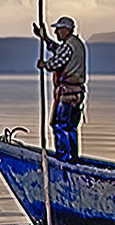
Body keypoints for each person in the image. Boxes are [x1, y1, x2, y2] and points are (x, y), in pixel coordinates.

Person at [33, 15, 87, 160]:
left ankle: (64, 158)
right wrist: (45, 39)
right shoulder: (75, 44)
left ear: (67, 30)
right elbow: (59, 50)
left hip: (68, 95)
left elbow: (55, 63)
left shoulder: (69, 46)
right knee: (70, 128)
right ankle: (72, 158)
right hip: (77, 94)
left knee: (60, 125)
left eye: (58, 30)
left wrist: (44, 65)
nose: (56, 33)